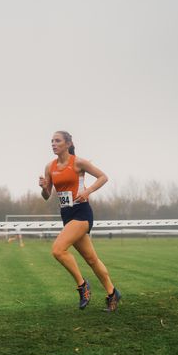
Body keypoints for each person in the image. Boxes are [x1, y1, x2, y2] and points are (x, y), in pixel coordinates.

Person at [39, 131, 121, 312]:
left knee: (58, 250)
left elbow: (103, 177)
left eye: (57, 141)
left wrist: (88, 191)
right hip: (67, 216)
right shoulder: (49, 167)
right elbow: (46, 196)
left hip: (82, 213)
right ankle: (112, 293)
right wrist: (45, 188)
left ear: (68, 143)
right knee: (92, 259)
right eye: (52, 141)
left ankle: (83, 286)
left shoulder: (78, 162)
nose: (53, 144)